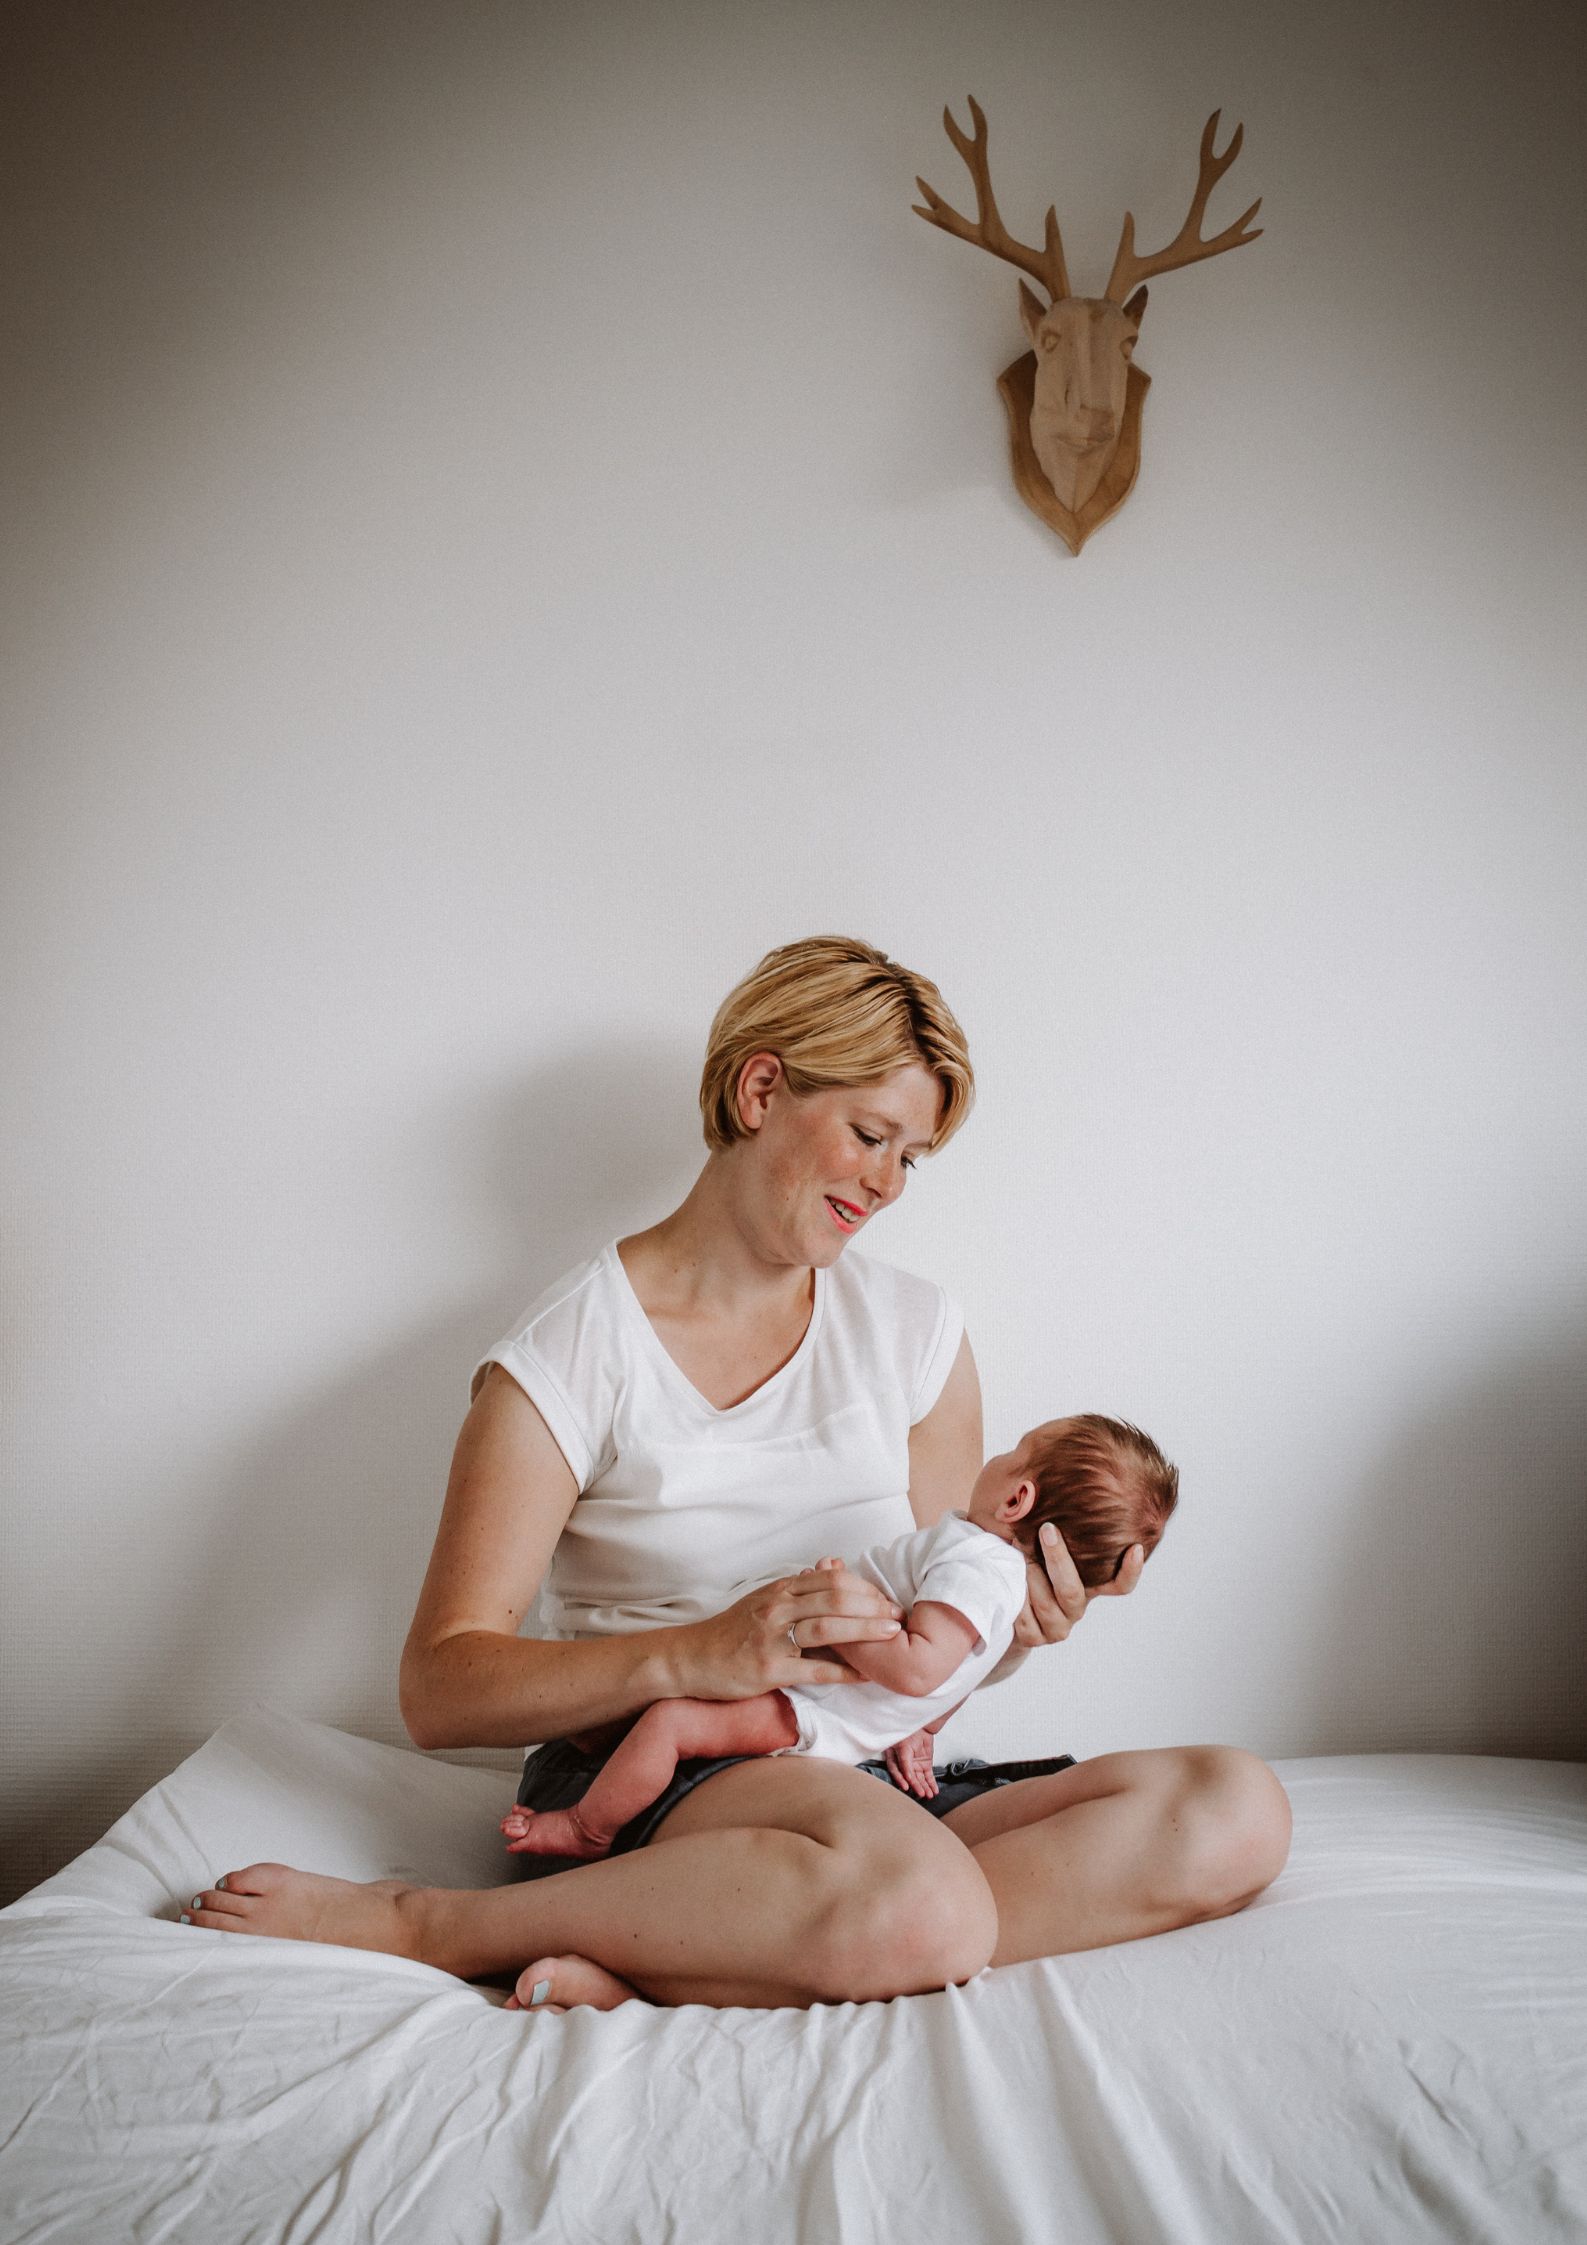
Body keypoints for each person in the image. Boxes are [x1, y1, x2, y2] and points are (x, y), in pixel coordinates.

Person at [182, 936, 1291, 2014]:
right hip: (669, 1774)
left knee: (1236, 1808)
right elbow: (440, 1686)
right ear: (761, 1088)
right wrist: (700, 1654)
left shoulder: (917, 1331)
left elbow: (921, 1644)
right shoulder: (573, 1351)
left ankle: (698, 1942)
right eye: (870, 1134)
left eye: (912, 1157)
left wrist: (1011, 1632)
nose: (890, 1183)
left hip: (853, 1775)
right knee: (929, 1904)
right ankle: (437, 1923)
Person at [497, 1414, 1177, 1873]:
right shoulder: (991, 1577)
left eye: (1010, 1452)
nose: (994, 1456)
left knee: (671, 1722)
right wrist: (919, 1728)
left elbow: (915, 1666)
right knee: (652, 1714)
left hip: (809, 1708)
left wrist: (842, 1618)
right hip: (821, 1705)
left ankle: (587, 1826)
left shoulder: (978, 1562)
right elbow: (951, 1669)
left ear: (1016, 1497)